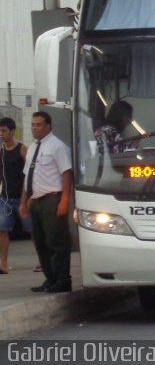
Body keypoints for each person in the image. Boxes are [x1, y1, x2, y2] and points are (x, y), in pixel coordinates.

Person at [19, 111, 73, 293]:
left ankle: (63, 280)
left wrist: (64, 200)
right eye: (33, 125)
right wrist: (24, 201)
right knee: (40, 242)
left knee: (56, 241)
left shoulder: (57, 146)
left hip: (52, 198)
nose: (35, 128)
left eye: (38, 125)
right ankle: (50, 279)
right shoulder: (33, 147)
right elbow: (27, 176)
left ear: (48, 126)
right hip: (36, 200)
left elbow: (66, 173)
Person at [0, 117, 30, 274]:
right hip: (5, 197)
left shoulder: (22, 149)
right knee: (2, 229)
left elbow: (30, 172)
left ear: (12, 131)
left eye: (4, 130)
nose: (1, 134)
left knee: (32, 229)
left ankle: (42, 261)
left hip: (22, 197)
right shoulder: (1, 151)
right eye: (0, 130)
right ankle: (3, 263)